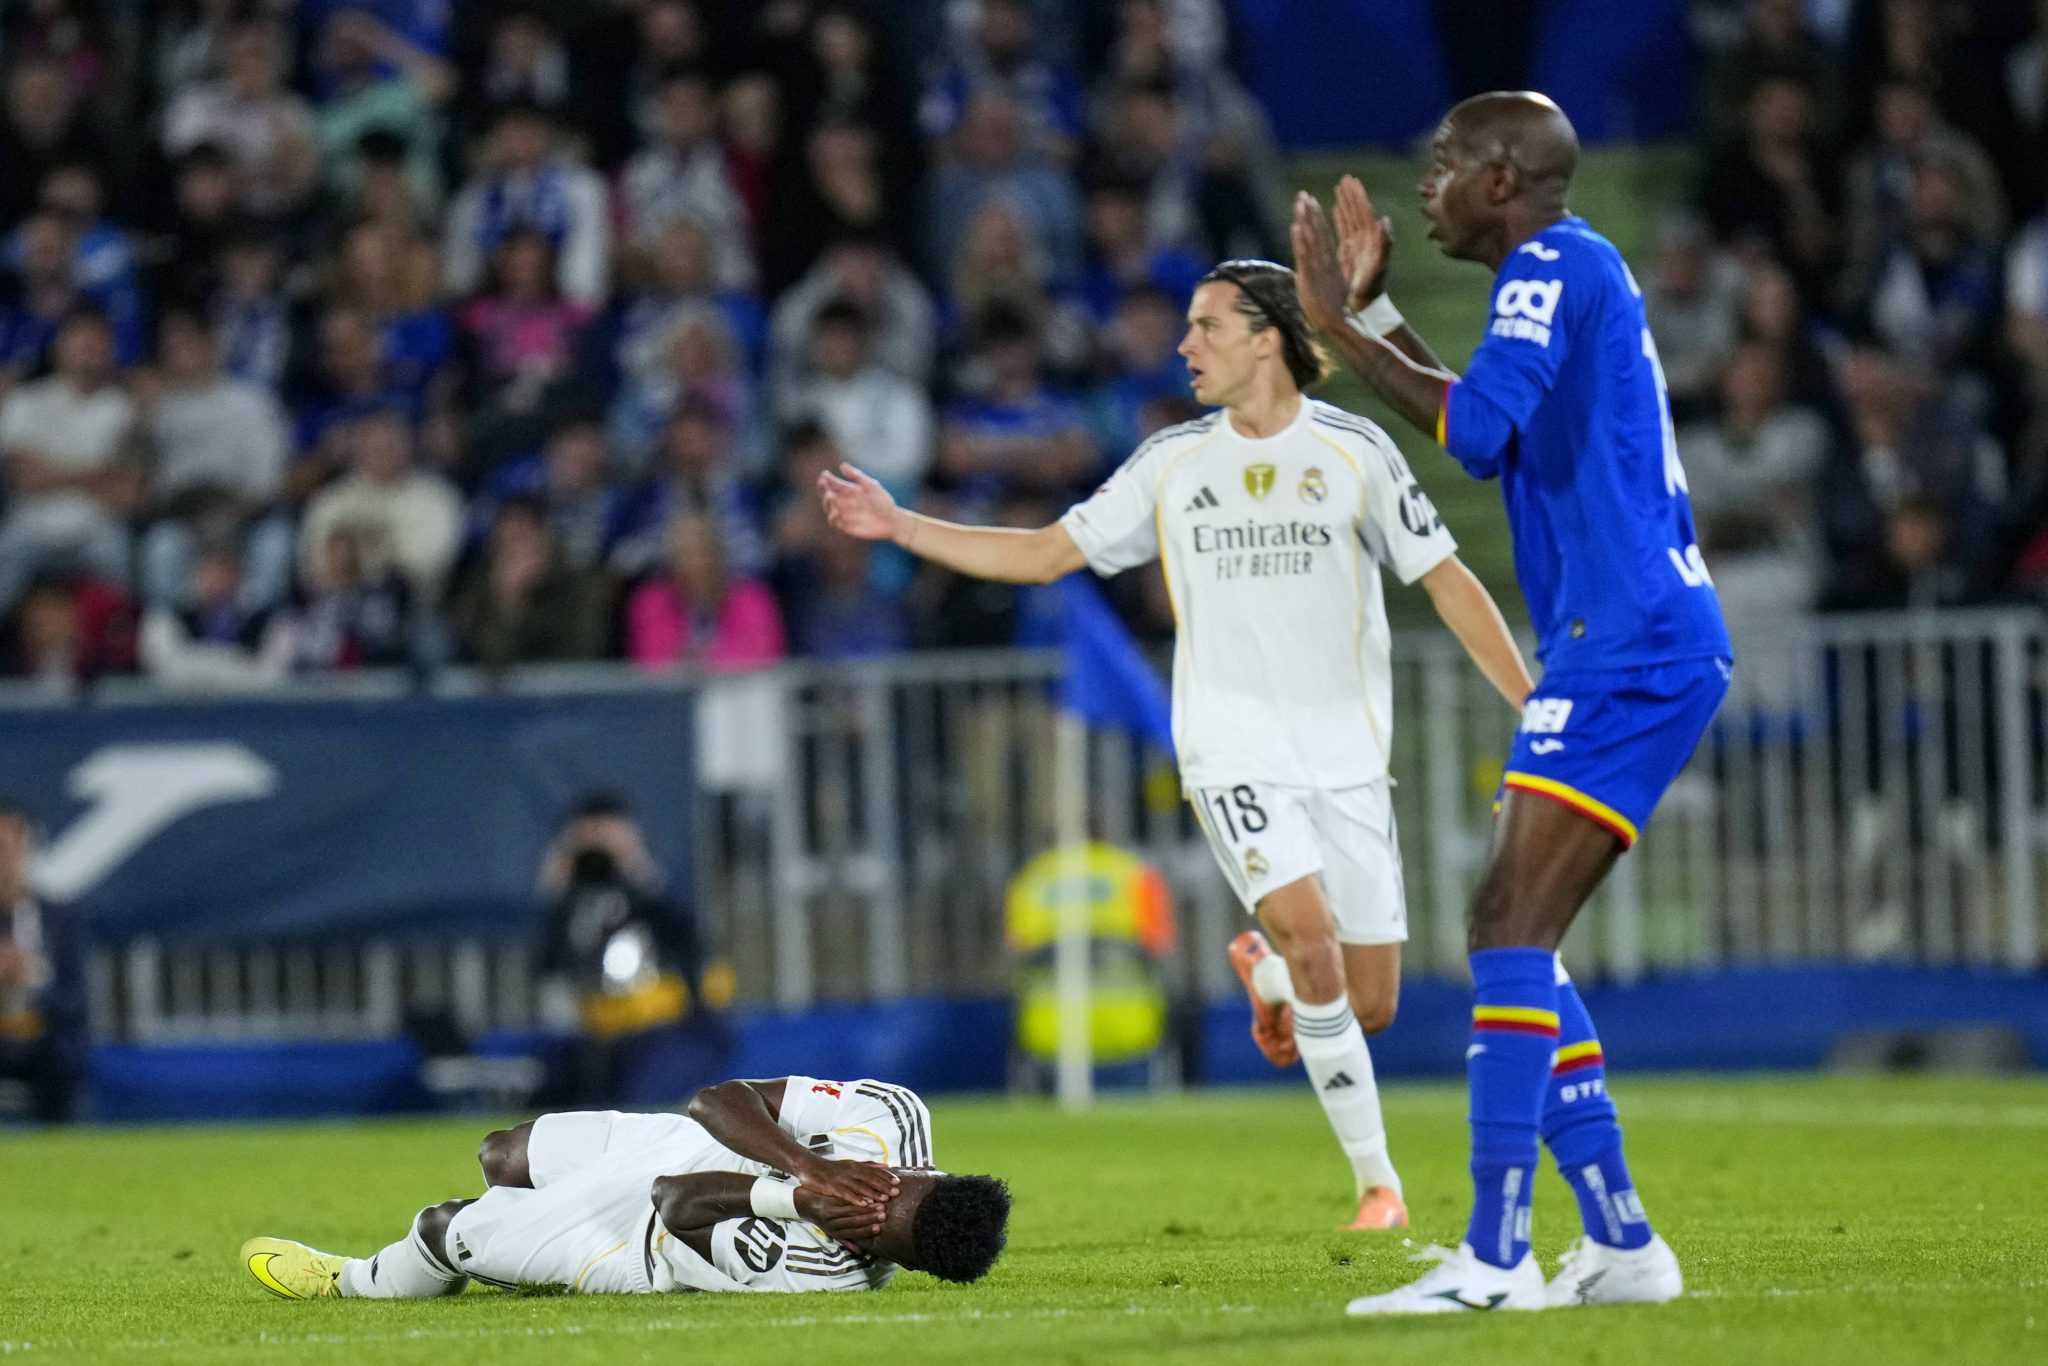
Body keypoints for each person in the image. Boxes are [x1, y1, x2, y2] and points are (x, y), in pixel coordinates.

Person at [820, 258, 1532, 1232]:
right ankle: (1379, 1187)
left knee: (1364, 1003)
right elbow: (1043, 552)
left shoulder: (1355, 451)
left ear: (1267, 337)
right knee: (1316, 940)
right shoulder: (1171, 463)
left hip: (1349, 760)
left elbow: (1445, 580)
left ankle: (1269, 974)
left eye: (1206, 327)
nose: (1183, 345)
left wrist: (1530, 703)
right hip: (1229, 751)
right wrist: (901, 525)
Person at [1287, 91, 1733, 1312]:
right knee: (1514, 929)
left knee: (1502, 924)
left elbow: (1474, 428)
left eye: (1439, 165)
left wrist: (1334, 322)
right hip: (1632, 638)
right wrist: (1370, 317)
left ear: (1499, 180)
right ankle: (1620, 1242)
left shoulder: (1541, 265)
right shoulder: (1567, 269)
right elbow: (1489, 426)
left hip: (1628, 642)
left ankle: (1493, 1255)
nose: (1422, 185)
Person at [238, 1074, 1010, 1298]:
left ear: (893, 1259)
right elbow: (716, 1101)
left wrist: (795, 1199)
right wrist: (810, 1164)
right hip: (683, 1141)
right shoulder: (890, 1114)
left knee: (450, 1228)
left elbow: (676, 1201)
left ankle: (352, 1281)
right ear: (913, 1171)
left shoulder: (821, 1272)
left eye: (873, 1234)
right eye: (878, 1194)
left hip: (634, 1242)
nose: (860, 1217)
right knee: (500, 1152)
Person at [0, 800, 86, 1123]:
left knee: (61, 1056)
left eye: (7, 848)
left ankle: (63, 1152)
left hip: (37, 1038)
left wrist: (34, 980)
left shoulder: (57, 919)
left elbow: (76, 999)